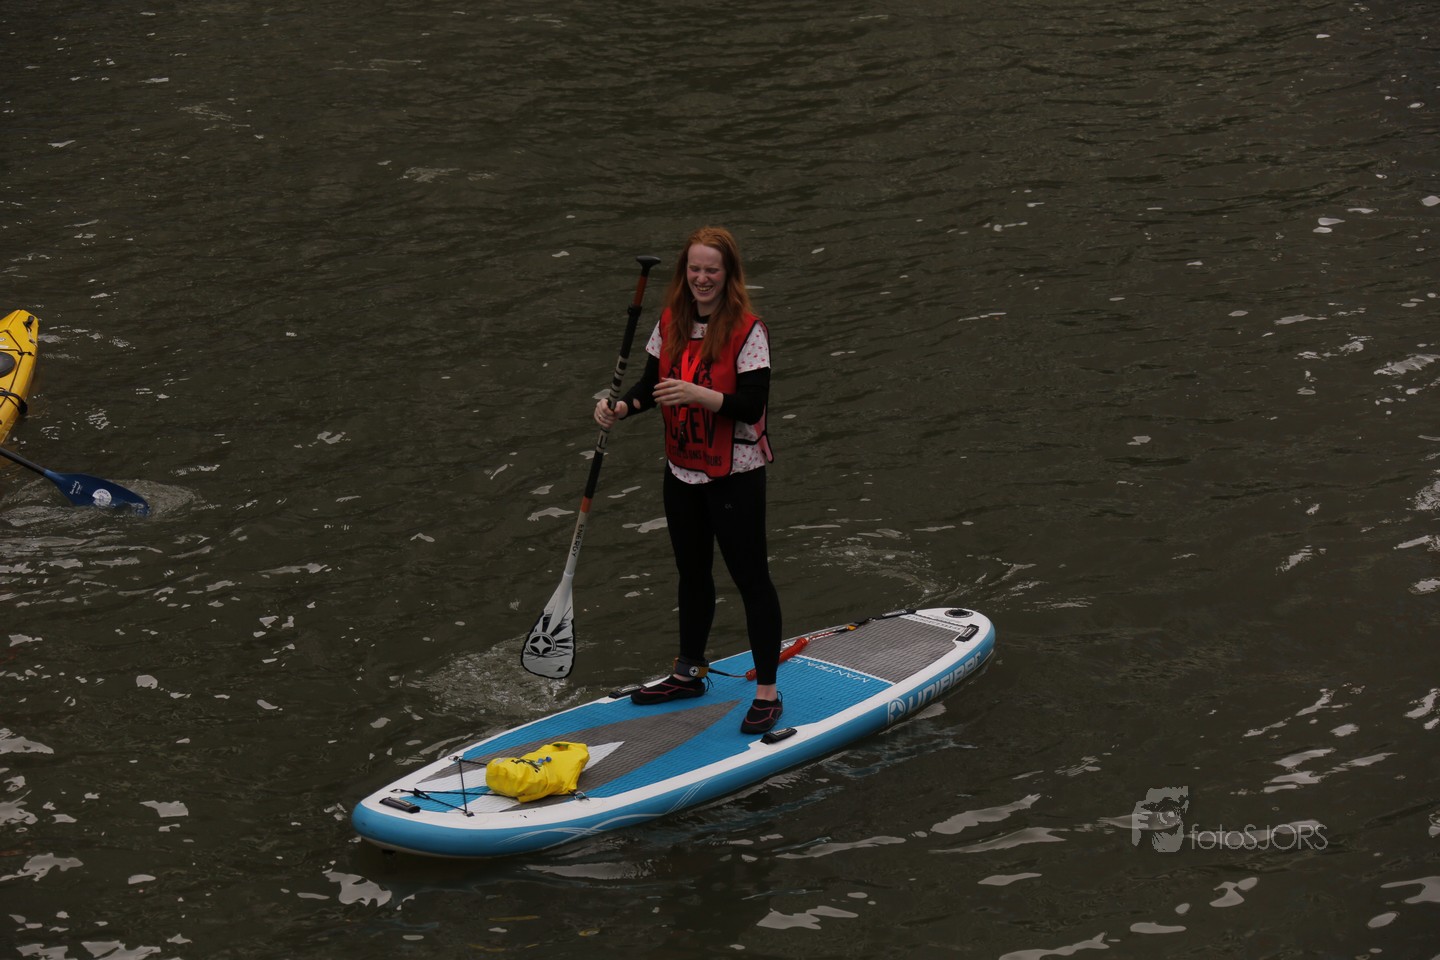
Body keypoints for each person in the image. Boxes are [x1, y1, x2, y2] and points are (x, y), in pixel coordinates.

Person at [593, 226, 784, 734]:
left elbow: (751, 405)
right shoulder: (670, 321)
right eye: (695, 269)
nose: (702, 278)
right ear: (685, 272)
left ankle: (767, 691)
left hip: (735, 475)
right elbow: (650, 384)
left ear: (728, 274)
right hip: (682, 471)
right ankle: (689, 673)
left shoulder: (749, 330)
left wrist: (699, 395)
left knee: (751, 580)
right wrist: (620, 408)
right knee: (691, 574)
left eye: (711, 270)